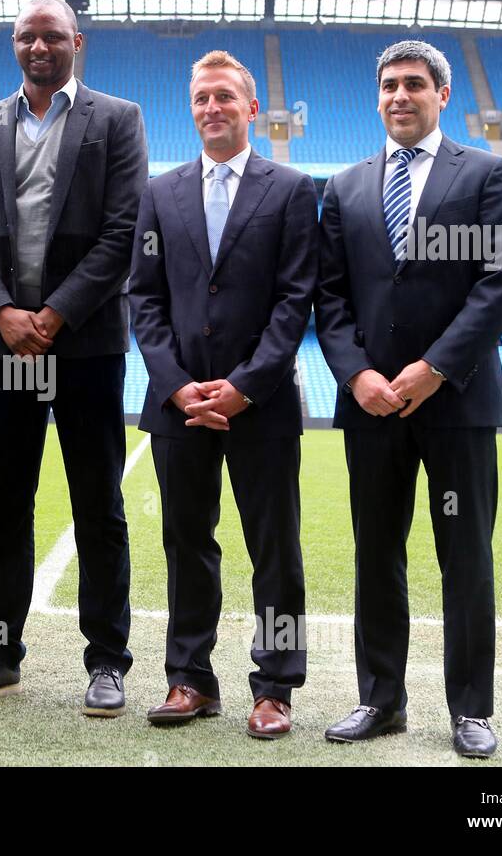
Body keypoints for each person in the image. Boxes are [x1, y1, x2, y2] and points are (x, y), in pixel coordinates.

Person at [315, 40, 502, 758]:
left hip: (457, 401)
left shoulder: (488, 174)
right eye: (388, 86)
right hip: (372, 406)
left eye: (413, 84)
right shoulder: (343, 187)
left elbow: (498, 284)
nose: (399, 96)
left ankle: (471, 707)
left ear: (442, 95)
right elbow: (330, 297)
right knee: (377, 552)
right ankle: (380, 699)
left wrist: (434, 368)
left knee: (464, 553)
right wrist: (356, 375)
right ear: (377, 99)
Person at [0, 0, 148, 716]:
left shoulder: (117, 119)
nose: (39, 46)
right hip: (4, 343)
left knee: (98, 504)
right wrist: (3, 312)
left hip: (86, 343)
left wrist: (55, 314)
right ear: (15, 44)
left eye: (52, 36)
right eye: (27, 36)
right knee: (3, 506)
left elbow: (122, 232)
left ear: (76, 42)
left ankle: (108, 662)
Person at [128, 51, 317, 734]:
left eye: (225, 99)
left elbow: (297, 302)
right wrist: (177, 388)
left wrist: (242, 386)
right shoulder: (161, 192)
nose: (212, 108)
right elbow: (143, 299)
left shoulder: (292, 190)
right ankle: (190, 679)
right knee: (186, 542)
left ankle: (276, 686)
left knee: (276, 547)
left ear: (252, 110)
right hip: (178, 408)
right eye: (202, 98)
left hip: (260, 406)